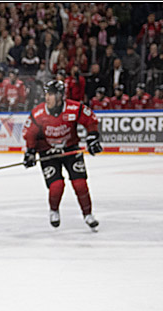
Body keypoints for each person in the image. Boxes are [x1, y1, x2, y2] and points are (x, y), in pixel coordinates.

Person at [21, 80, 102, 231]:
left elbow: (91, 120)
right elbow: (29, 133)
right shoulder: (39, 114)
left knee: (80, 184)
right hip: (48, 153)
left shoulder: (73, 108)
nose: (47, 98)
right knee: (56, 186)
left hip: (71, 150)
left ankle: (88, 214)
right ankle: (54, 210)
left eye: (51, 94)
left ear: (60, 96)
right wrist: (30, 152)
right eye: (46, 94)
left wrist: (92, 138)